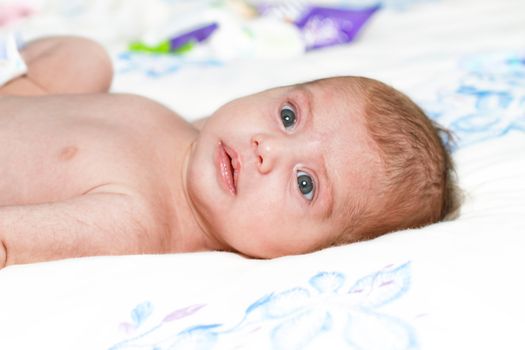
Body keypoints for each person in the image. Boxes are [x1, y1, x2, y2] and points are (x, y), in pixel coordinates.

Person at [0, 36, 459, 268]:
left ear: (309, 255)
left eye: (306, 184)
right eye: (287, 115)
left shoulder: (136, 222)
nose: (268, 149)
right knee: (85, 58)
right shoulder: (187, 133)